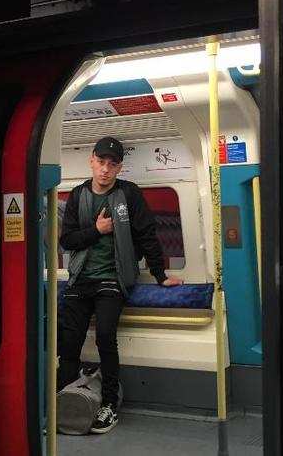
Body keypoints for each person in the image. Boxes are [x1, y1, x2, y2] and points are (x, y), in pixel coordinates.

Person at [57, 136, 183, 434]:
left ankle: (109, 403)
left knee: (104, 336)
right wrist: (97, 230)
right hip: (80, 278)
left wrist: (160, 274)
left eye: (112, 165)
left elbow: (147, 236)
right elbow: (67, 240)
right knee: (69, 341)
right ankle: (64, 399)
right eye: (101, 162)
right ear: (92, 161)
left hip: (112, 278)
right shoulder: (77, 195)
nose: (105, 170)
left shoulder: (130, 194)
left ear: (119, 168)